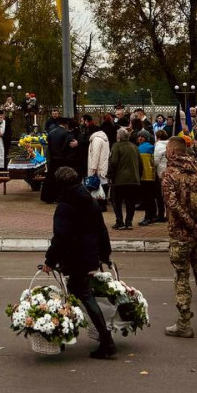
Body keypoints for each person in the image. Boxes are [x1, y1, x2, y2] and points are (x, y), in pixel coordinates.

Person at [41, 166, 116, 360]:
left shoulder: (65, 206)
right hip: (89, 254)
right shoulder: (89, 200)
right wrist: (105, 254)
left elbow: (61, 237)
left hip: (74, 257)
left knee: (82, 294)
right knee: (75, 293)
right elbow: (102, 229)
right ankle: (68, 334)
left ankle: (106, 340)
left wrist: (50, 260)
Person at [161, 137, 197, 338]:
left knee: (182, 277)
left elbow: (173, 205)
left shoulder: (170, 175)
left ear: (173, 152)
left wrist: (191, 225)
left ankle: (184, 323)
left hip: (180, 234)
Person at [107, 127, 140, 230]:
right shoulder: (134, 146)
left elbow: (113, 162)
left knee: (116, 201)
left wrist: (110, 175)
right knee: (130, 202)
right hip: (133, 180)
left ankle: (119, 221)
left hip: (119, 180)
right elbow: (140, 163)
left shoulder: (116, 146)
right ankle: (129, 222)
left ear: (118, 137)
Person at [137, 129, 161, 225]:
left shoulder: (140, 148)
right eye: (139, 136)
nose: (140, 138)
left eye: (142, 136)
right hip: (152, 176)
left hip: (144, 176)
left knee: (146, 198)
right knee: (150, 198)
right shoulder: (153, 147)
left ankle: (148, 217)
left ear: (146, 138)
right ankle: (152, 215)